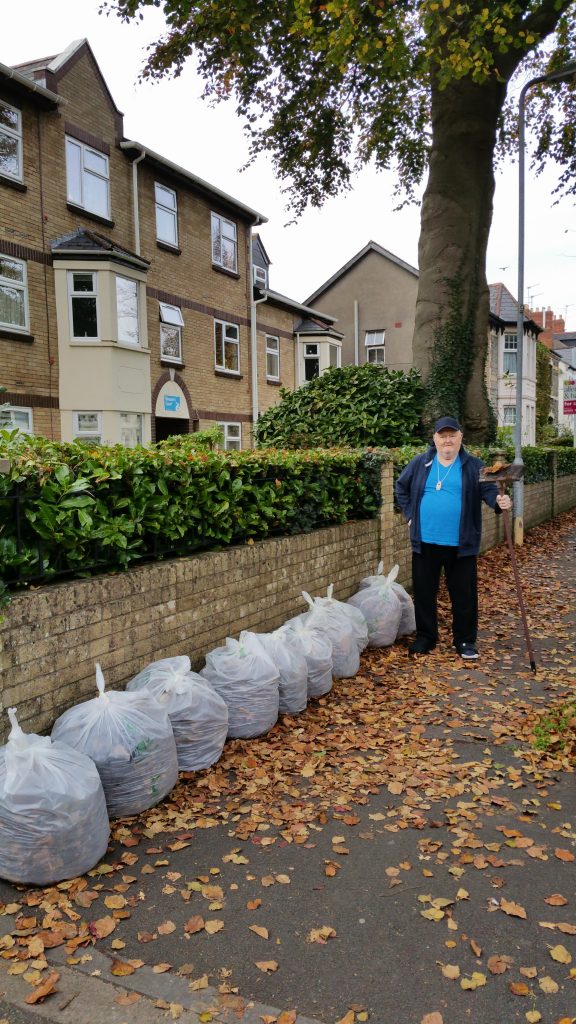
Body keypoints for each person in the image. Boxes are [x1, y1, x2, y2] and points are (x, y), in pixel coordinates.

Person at [395, 415, 512, 660]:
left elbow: (490, 491)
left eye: (452, 435)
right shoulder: (421, 462)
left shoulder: (473, 465)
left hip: (461, 544)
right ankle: (426, 637)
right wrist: (409, 515)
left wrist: (499, 502)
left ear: (461, 438)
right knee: (425, 593)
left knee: (464, 595)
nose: (447, 440)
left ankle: (465, 641)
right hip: (425, 542)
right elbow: (401, 487)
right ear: (434, 439)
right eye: (442, 436)